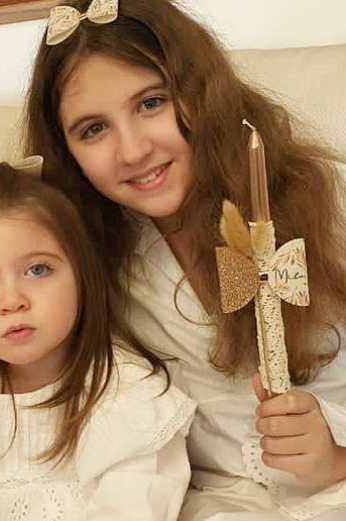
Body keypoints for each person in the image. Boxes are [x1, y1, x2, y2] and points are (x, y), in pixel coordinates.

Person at [22, 0, 346, 519]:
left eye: (151, 103)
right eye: (93, 129)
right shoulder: (86, 260)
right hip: (217, 504)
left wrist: (335, 459)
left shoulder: (325, 203)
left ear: (202, 92)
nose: (133, 151)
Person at [0, 163, 196, 521]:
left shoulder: (128, 394)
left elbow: (133, 509)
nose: (12, 301)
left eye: (38, 270)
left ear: (81, 274)